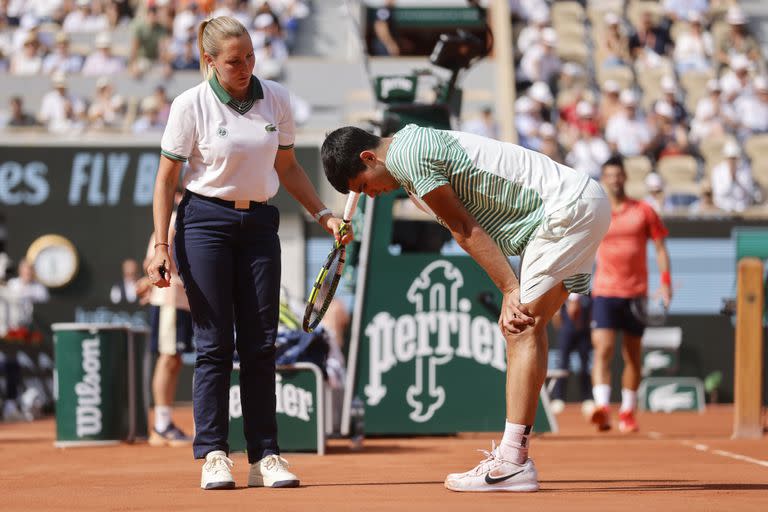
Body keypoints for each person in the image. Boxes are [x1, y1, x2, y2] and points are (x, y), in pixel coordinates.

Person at [320, 123, 611, 493]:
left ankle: (512, 461)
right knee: (528, 328)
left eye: (363, 186)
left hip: (565, 210)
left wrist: (510, 287)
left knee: (518, 327)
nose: (371, 196)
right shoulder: (409, 148)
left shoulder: (409, 156)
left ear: (368, 158)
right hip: (583, 203)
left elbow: (462, 226)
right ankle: (515, 456)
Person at [145, 16, 351, 490]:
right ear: (209, 62)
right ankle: (214, 453)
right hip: (204, 223)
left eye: (250, 57)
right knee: (214, 344)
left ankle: (266, 456)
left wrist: (325, 214)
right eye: (234, 61)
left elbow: (289, 167)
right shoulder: (189, 106)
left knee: (260, 345)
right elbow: (165, 182)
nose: (245, 68)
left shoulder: (275, 98)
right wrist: (161, 244)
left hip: (260, 223)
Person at [589, 155, 672, 434]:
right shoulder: (596, 211)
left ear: (625, 177)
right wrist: (575, 293)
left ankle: (627, 411)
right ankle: (602, 407)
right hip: (604, 290)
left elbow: (660, 248)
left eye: (618, 175)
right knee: (603, 348)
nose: (614, 180)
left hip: (636, 293)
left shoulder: (645, 210)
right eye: (609, 175)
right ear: (604, 179)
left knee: (632, 355)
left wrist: (666, 282)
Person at [141, 194, 193, 447]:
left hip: (183, 302)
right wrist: (148, 281)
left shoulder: (189, 222)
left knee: (174, 360)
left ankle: (165, 423)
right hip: (169, 299)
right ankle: (161, 426)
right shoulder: (172, 221)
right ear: (177, 196)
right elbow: (151, 263)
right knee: (167, 358)